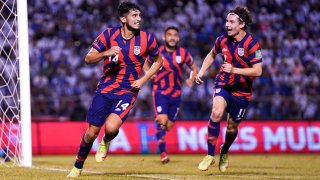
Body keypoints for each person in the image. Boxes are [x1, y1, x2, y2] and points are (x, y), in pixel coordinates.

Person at [67, 2, 163, 177]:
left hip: (128, 90)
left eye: (139, 16)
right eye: (134, 16)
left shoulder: (147, 39)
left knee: (111, 128)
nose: (139, 19)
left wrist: (143, 79)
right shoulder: (108, 34)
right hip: (105, 89)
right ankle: (78, 166)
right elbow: (88, 58)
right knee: (91, 132)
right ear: (123, 19)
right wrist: (106, 53)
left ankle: (106, 141)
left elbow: (159, 61)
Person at [195, 6, 262, 172]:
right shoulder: (221, 40)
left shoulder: (252, 44)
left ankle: (224, 150)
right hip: (223, 84)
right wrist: (201, 72)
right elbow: (211, 54)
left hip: (243, 92)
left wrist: (234, 70)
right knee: (216, 113)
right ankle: (210, 155)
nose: (227, 24)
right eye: (226, 21)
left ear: (242, 24)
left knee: (232, 128)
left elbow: (258, 71)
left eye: (231, 21)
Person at [144, 26, 198, 164]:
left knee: (168, 126)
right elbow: (146, 65)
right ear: (164, 37)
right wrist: (149, 73)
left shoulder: (183, 53)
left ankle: (158, 130)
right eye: (169, 35)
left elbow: (194, 68)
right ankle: (163, 154)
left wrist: (191, 78)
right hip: (160, 92)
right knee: (162, 121)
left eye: (175, 35)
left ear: (178, 38)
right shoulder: (157, 52)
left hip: (176, 94)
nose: (172, 37)